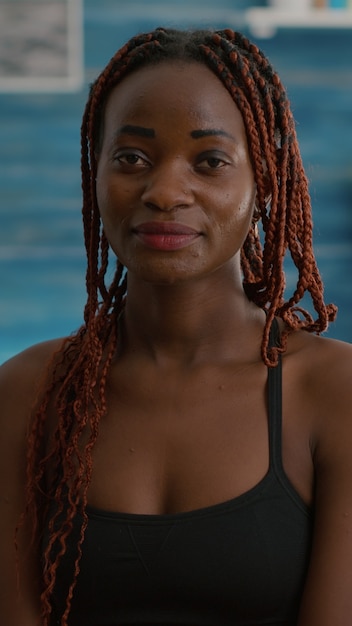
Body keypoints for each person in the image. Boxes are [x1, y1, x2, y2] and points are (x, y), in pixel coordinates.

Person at [1, 26, 352, 626]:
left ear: (262, 178)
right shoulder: (24, 392)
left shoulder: (333, 393)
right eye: (131, 158)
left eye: (210, 160)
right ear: (96, 173)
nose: (164, 192)